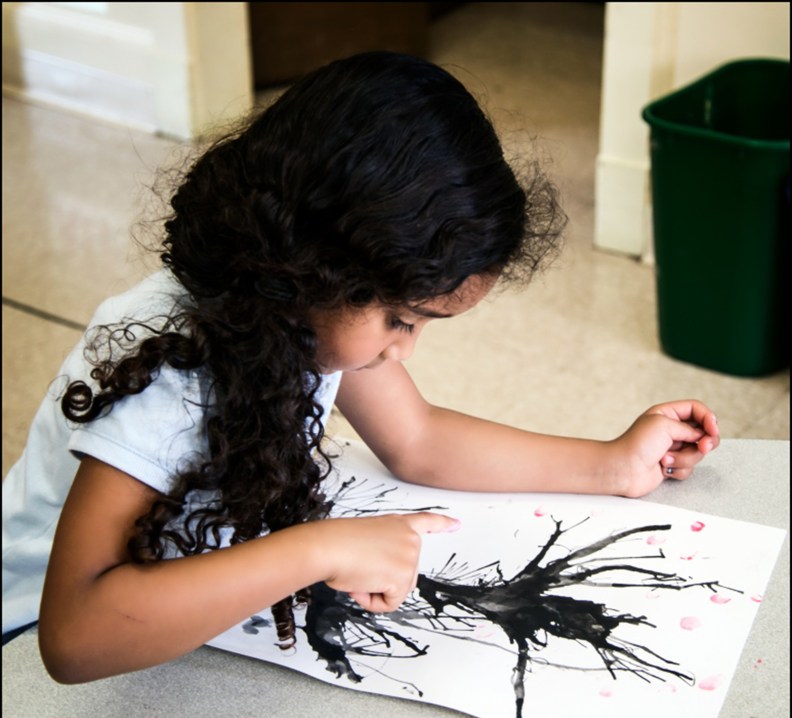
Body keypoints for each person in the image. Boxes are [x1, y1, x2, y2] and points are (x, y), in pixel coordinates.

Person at [2, 51, 719, 682]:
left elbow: (420, 441)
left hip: (177, 613)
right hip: (24, 643)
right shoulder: (172, 363)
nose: (402, 349)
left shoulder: (304, 313)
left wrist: (615, 465)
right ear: (311, 270)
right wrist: (315, 548)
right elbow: (73, 636)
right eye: (402, 320)